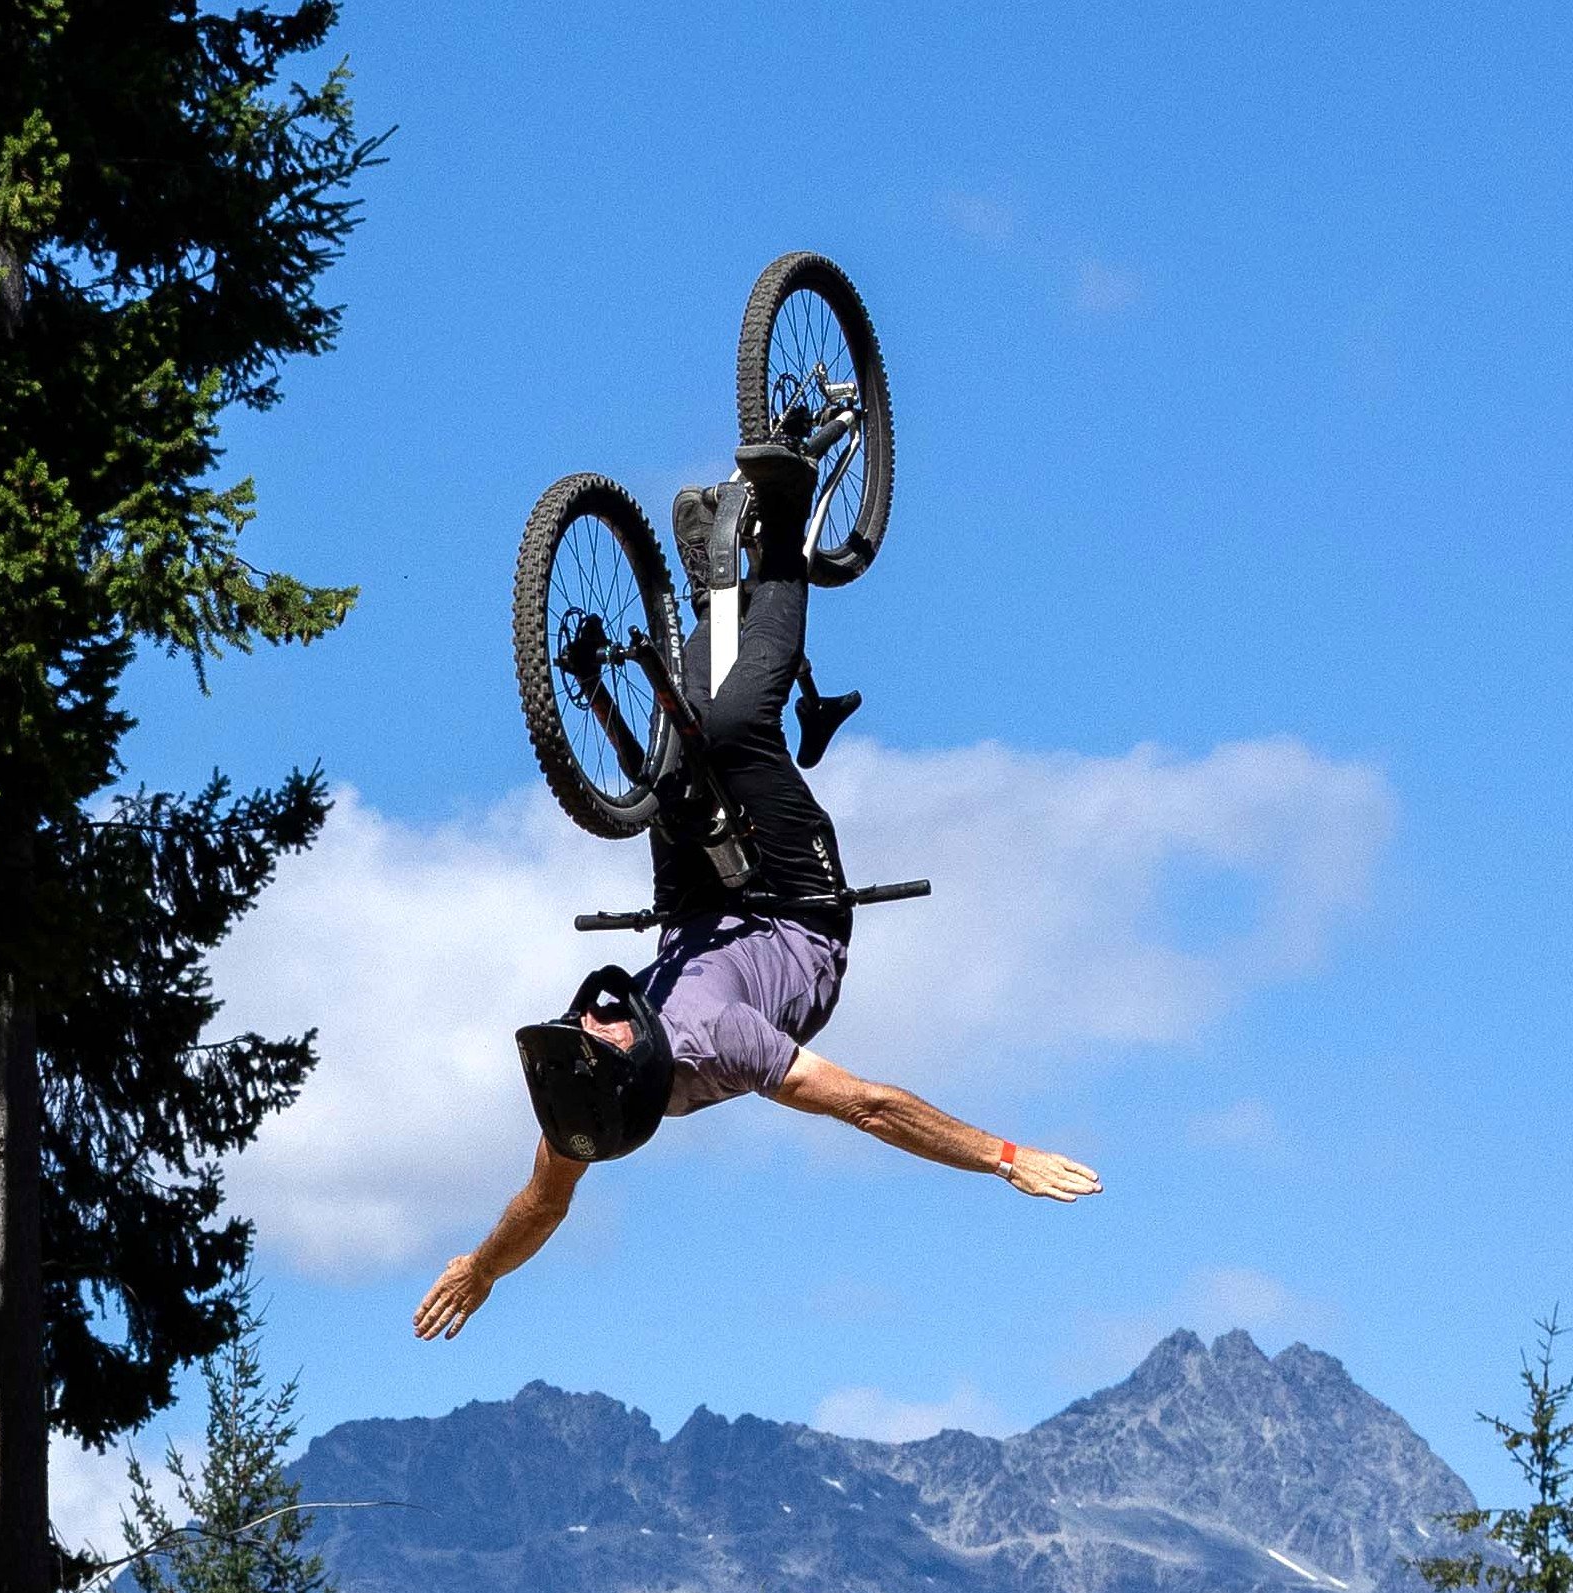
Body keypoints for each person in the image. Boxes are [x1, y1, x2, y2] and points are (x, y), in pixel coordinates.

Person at [412, 449, 1099, 1350]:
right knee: (737, 729)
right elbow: (868, 1105)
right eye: (597, 1037)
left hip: (692, 915)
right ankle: (782, 521)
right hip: (796, 909)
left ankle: (708, 603)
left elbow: (542, 1202)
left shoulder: (581, 1103)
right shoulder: (718, 1046)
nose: (589, 1021)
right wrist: (1004, 1158)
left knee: (668, 762)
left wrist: (481, 1266)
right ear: (634, 1068)